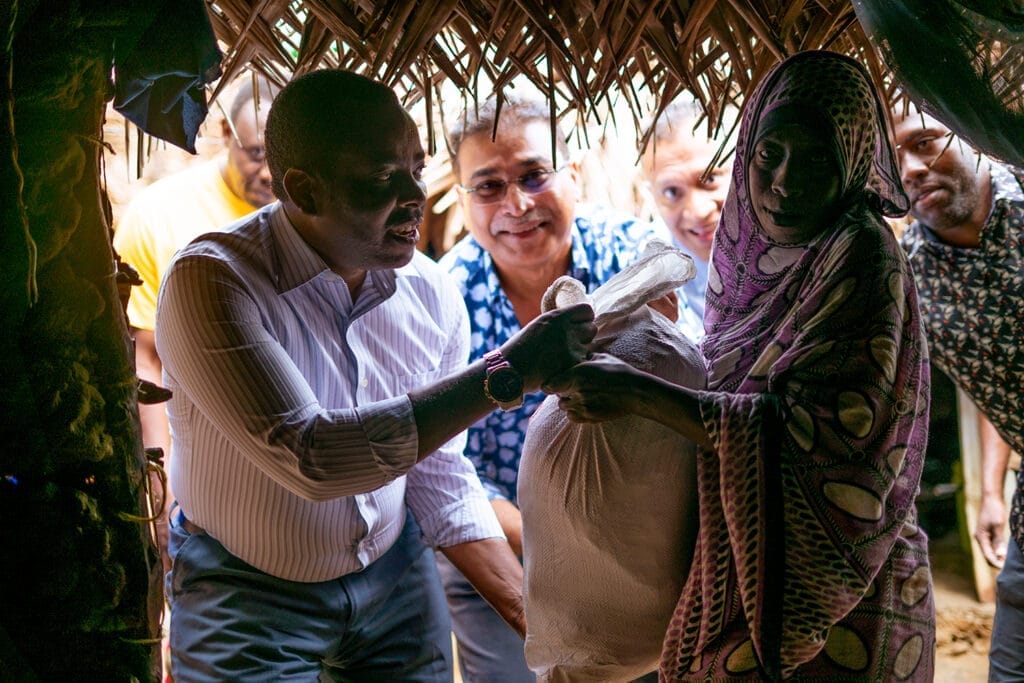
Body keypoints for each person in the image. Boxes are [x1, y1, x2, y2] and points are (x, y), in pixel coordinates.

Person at [156, 69, 595, 681]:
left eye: (416, 168)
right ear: (304, 190)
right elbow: (314, 458)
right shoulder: (214, 282)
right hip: (245, 588)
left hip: (394, 571)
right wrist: (507, 373)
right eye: (382, 179)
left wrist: (541, 630)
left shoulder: (431, 291)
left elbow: (437, 471)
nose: (416, 195)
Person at [546, 50, 935, 681]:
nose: (784, 181)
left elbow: (826, 438)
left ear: (853, 162)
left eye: (815, 160)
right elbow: (738, 374)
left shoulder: (861, 258)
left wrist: (641, 394)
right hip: (738, 569)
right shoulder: (743, 248)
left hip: (843, 594)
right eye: (768, 155)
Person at [437, 91, 666, 682]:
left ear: (572, 174)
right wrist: (551, 536)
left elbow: (685, 394)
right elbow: (449, 472)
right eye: (487, 186)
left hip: (638, 540)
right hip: (498, 547)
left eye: (534, 175)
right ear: (463, 199)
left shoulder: (631, 257)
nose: (516, 204)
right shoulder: (442, 298)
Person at [114, 75, 277, 572]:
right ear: (225, 135)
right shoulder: (159, 215)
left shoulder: (317, 210)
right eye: (256, 153)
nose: (272, 173)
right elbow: (146, 357)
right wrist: (160, 481)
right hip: (200, 477)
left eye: (284, 155)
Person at [893, 103, 1024, 681]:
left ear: (973, 134)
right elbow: (996, 376)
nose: (909, 169)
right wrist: (992, 490)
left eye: (923, 142)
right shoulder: (909, 275)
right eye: (894, 158)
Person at [641, 98, 734, 341]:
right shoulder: (651, 271)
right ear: (652, 196)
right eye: (672, 192)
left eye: (711, 179)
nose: (698, 212)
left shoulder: (794, 246)